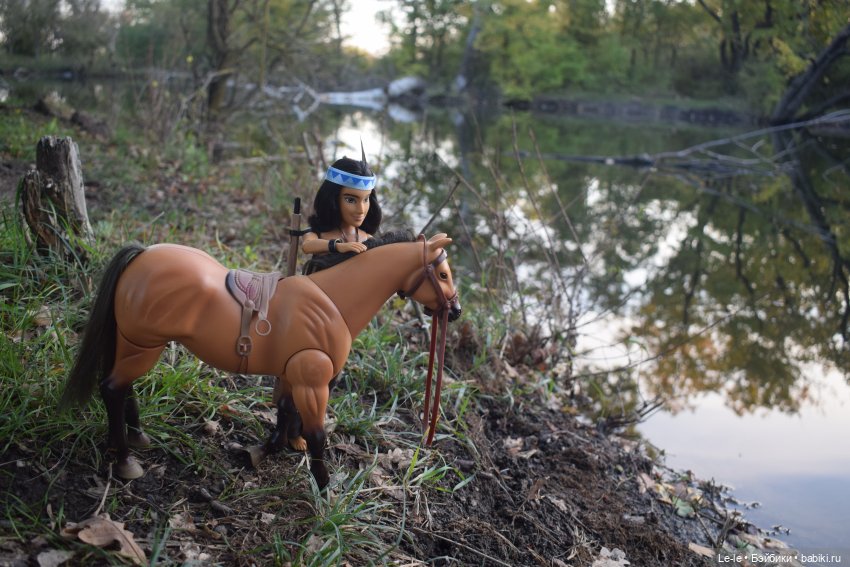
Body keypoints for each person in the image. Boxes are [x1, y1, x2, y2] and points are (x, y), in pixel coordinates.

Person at [301, 147, 383, 274]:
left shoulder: (368, 239)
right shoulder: (319, 233)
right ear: (332, 199)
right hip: (316, 290)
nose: (361, 210)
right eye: (351, 200)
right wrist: (338, 246)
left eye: (366, 199)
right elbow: (307, 246)